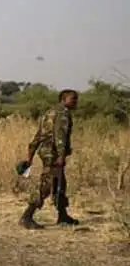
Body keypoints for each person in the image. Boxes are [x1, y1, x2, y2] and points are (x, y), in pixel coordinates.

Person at [18, 89, 80, 229]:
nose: (76, 102)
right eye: (73, 99)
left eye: (76, 99)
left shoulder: (49, 112)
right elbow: (60, 136)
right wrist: (61, 155)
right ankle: (27, 216)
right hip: (53, 153)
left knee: (60, 183)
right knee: (47, 183)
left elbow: (38, 136)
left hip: (45, 151)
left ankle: (63, 215)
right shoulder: (63, 113)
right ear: (63, 99)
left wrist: (30, 156)